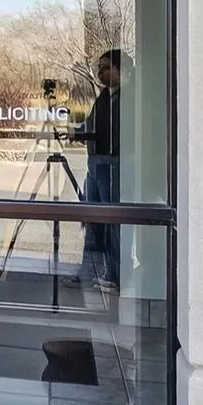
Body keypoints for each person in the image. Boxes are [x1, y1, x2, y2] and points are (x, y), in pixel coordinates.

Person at [75, 48, 124, 291]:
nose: (100, 73)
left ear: (120, 69)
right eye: (99, 68)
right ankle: (92, 270)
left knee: (111, 221)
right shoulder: (104, 97)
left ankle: (114, 275)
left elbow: (115, 134)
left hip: (110, 166)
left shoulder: (127, 98)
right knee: (92, 220)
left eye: (106, 68)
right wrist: (76, 132)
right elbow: (92, 125)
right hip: (94, 164)